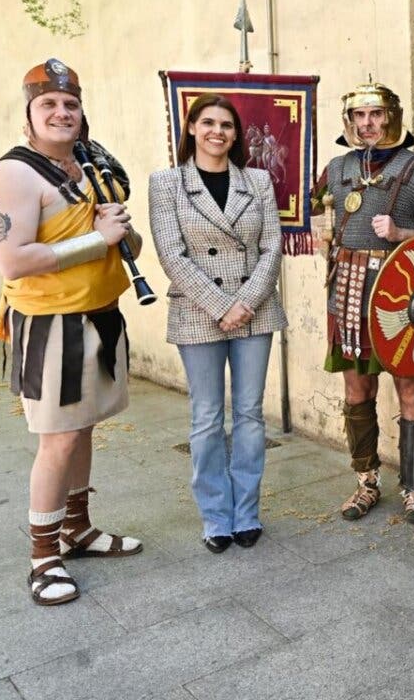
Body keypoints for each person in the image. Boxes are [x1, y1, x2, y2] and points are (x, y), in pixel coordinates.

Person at [0, 58, 143, 606]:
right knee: (57, 440)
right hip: (52, 324)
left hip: (100, 314)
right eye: (48, 104)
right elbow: (14, 261)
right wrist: (98, 241)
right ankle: (43, 558)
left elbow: (120, 237)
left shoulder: (89, 162)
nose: (61, 112)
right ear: (29, 116)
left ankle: (77, 529)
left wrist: (119, 235)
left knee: (82, 429)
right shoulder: (15, 173)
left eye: (70, 104)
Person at [311, 80, 414, 524]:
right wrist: (322, 232)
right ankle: (367, 481)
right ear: (350, 122)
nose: (367, 124)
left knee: (411, 389)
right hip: (348, 291)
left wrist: (400, 235)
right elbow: (316, 208)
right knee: (357, 391)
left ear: (391, 116)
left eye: (375, 114)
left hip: (401, 299)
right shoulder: (337, 168)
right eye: (359, 116)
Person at [148, 94, 287, 554]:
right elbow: (172, 254)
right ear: (191, 128)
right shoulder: (167, 183)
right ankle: (215, 517)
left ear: (236, 134)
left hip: (255, 309)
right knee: (207, 418)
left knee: (249, 414)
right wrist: (220, 305)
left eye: (226, 125)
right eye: (207, 122)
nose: (217, 132)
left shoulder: (259, 181)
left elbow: (271, 246)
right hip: (197, 311)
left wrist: (244, 302)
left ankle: (246, 512)